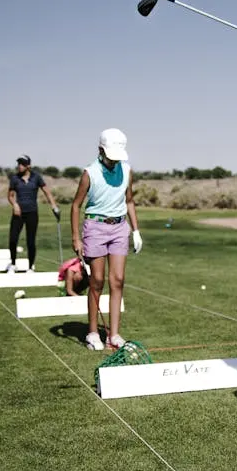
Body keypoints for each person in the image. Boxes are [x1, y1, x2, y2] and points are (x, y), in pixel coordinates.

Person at [71, 128, 142, 351]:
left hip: (120, 227)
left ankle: (114, 334)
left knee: (118, 280)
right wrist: (76, 238)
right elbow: (75, 206)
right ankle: (93, 333)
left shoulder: (127, 170)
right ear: (100, 150)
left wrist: (136, 230)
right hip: (95, 227)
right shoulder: (89, 173)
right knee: (97, 281)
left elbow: (129, 200)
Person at [6, 155, 60, 273]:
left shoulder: (36, 177)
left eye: (22, 164)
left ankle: (30, 267)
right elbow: (10, 196)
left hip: (32, 212)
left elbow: (47, 192)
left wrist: (54, 207)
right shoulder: (15, 178)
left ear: (28, 166)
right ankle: (13, 264)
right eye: (19, 163)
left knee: (31, 241)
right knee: (13, 239)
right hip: (18, 213)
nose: (20, 166)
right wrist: (14, 204)